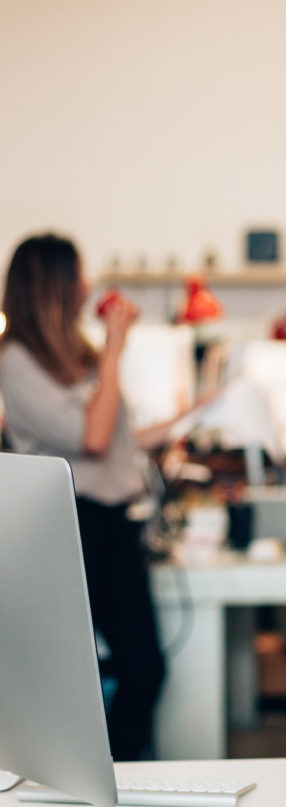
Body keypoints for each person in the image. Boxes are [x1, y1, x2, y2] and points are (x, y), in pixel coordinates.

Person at [0, 233, 177, 761]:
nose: (88, 285)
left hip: (114, 526)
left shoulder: (76, 354)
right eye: (77, 275)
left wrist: (191, 415)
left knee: (144, 668)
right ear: (53, 284)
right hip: (70, 527)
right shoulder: (16, 362)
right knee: (71, 677)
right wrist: (117, 347)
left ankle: (113, 777)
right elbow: (93, 438)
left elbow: (116, 439)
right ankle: (89, 777)